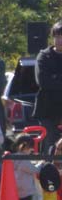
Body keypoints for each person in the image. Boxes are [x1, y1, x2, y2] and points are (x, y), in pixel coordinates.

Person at [33, 21, 62, 154]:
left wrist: (55, 77)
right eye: (57, 36)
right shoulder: (44, 56)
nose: (60, 40)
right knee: (50, 149)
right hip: (48, 112)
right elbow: (43, 82)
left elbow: (52, 81)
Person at [12, 133, 39, 200]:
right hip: (25, 188)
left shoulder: (13, 157)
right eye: (31, 148)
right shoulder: (24, 159)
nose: (31, 151)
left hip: (15, 186)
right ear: (26, 147)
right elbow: (33, 169)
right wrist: (40, 165)